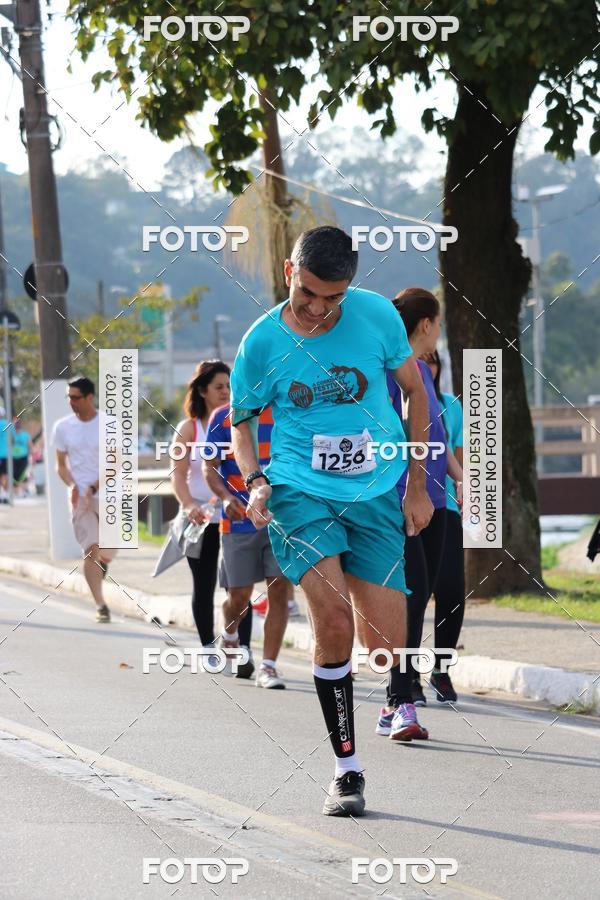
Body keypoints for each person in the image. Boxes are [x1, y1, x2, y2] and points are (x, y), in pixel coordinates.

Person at [229, 226, 432, 817]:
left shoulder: (375, 318)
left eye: (333, 298)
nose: (319, 309)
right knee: (334, 619)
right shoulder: (261, 342)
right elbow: (242, 423)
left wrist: (418, 483)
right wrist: (257, 480)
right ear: (291, 270)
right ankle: (346, 770)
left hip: (374, 489)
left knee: (385, 647)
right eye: (310, 293)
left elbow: (414, 393)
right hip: (298, 489)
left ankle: (371, 695)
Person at [377, 289, 463, 739]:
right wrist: (407, 491)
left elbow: (437, 437)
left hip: (434, 499)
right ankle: (400, 700)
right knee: (408, 599)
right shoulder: (393, 368)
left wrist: (457, 481)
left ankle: (397, 698)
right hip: (401, 497)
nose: (439, 331)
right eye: (439, 322)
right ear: (426, 324)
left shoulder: (420, 373)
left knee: (421, 593)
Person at [170, 361, 254, 675]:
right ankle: (208, 647)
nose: (225, 392)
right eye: (219, 386)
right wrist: (190, 504)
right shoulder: (189, 429)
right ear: (203, 390)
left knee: (239, 587)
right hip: (201, 519)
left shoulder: (239, 420)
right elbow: (178, 476)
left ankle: (242, 650)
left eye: (229, 386)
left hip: (237, 516)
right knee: (204, 585)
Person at [203, 404, 290, 688]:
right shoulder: (223, 416)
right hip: (239, 520)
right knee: (239, 596)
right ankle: (229, 636)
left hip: (283, 519)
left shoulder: (287, 407)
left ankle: (268, 666)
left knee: (278, 589)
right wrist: (226, 498)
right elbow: (210, 467)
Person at [53, 376, 116, 622]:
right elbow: (60, 465)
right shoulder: (62, 427)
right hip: (80, 499)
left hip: (109, 494)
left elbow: (116, 463)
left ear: (90, 397)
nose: (71, 402)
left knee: (106, 552)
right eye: (69, 397)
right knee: (91, 549)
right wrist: (73, 486)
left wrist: (93, 486)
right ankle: (101, 605)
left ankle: (103, 564)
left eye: (76, 397)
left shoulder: (109, 424)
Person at [424, 349, 465, 703]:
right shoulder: (389, 397)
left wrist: (464, 485)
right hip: (399, 505)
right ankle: (402, 680)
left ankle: (441, 670)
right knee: (412, 593)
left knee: (451, 589)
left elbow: (457, 453)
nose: (428, 364)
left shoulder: (451, 405)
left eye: (433, 359)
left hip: (445, 504)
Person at [0, 406, 16, 503]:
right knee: (6, 474)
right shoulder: (8, 424)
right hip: (6, 454)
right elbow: (14, 439)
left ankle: (2, 493)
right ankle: (4, 493)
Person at [12, 419, 31, 496]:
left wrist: (32, 454)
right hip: (13, 457)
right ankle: (16, 491)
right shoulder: (11, 435)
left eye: (18, 426)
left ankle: (24, 490)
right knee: (14, 474)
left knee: (22, 474)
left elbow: (30, 445)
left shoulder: (25, 435)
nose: (17, 428)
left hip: (23, 457)